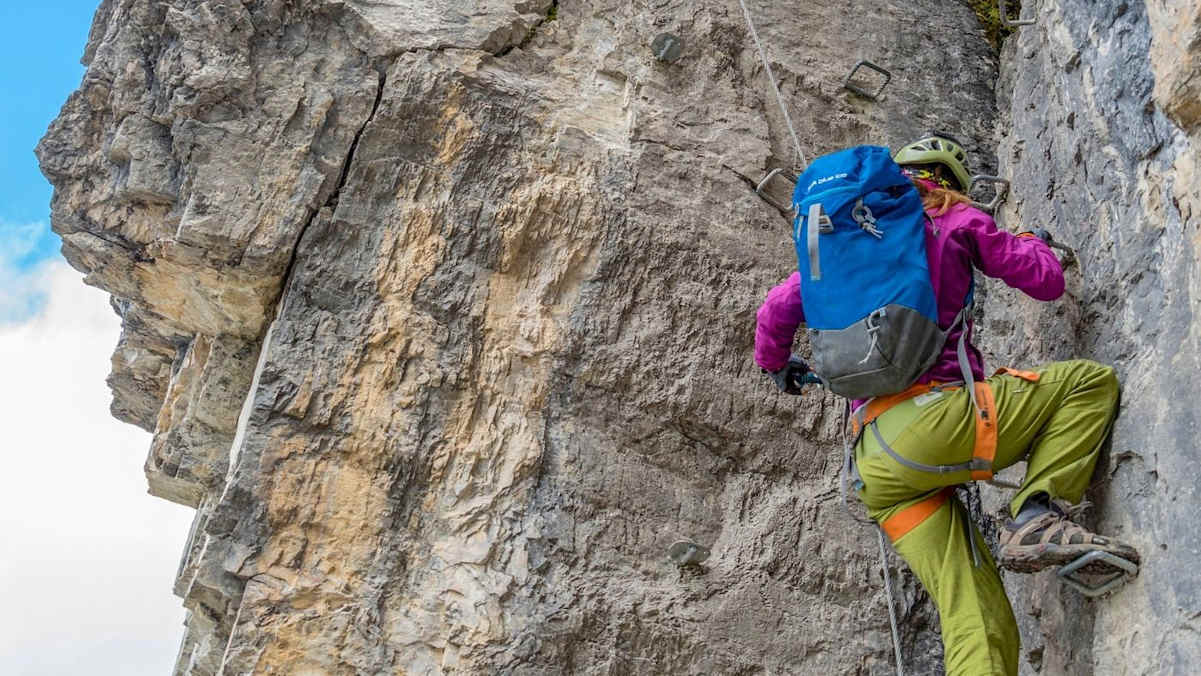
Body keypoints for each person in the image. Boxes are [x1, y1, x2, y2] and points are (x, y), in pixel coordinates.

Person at [753, 133, 1141, 675]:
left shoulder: (850, 250)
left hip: (876, 469)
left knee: (975, 616)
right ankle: (1036, 514)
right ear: (954, 184)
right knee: (1087, 383)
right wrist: (1030, 239)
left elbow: (775, 309)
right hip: (936, 421)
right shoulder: (955, 220)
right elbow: (1046, 281)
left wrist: (777, 366)